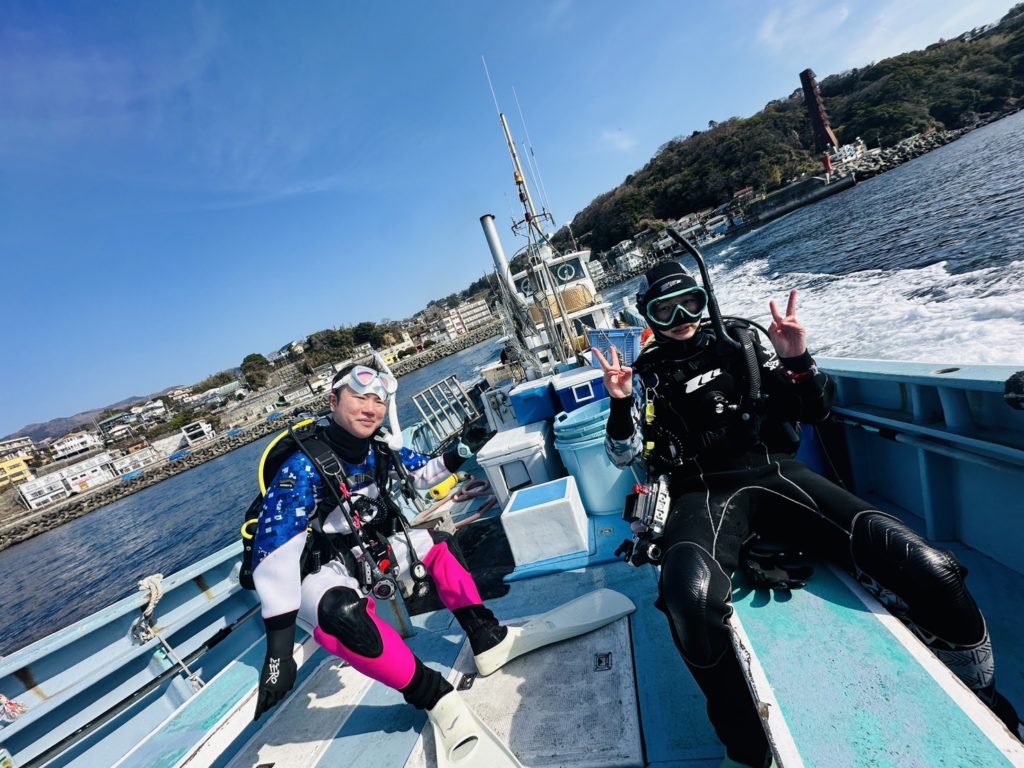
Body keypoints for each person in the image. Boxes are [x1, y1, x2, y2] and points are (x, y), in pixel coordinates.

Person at [595, 261, 1021, 768]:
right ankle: (747, 748)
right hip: (702, 493)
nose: (680, 317)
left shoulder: (743, 342)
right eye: (664, 310)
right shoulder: (644, 374)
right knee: (688, 599)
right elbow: (623, 455)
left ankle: (986, 698)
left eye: (689, 302)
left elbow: (815, 411)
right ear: (648, 316)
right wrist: (620, 403)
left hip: (777, 474)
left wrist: (797, 358)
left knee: (935, 569)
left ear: (705, 297)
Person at [250, 364, 515, 750]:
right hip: (323, 565)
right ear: (332, 401)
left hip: (367, 548)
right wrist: (278, 654)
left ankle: (486, 637)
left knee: (440, 545)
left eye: (378, 400)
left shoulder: (378, 447)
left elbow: (421, 472)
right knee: (342, 614)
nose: (370, 408)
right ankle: (434, 696)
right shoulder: (302, 467)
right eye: (359, 397)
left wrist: (461, 451)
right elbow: (275, 555)